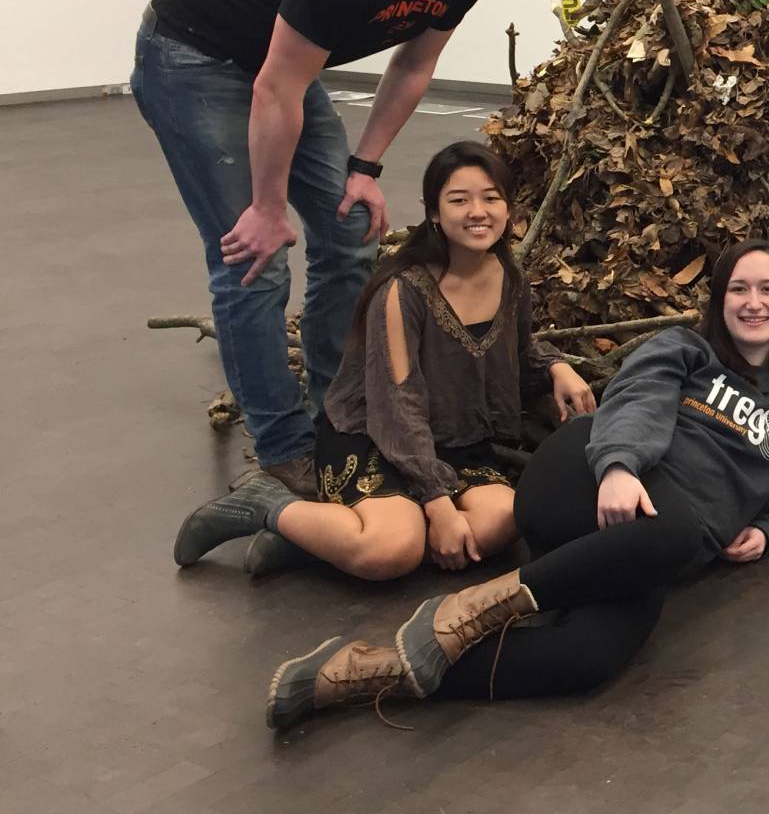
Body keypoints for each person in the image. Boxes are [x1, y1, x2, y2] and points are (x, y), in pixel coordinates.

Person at [263, 239, 769, 728]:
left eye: (768, 289)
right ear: (719, 299)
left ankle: (361, 674)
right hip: (585, 481)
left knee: (586, 659)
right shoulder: (686, 349)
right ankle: (475, 608)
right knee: (677, 529)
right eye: (739, 288)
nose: (754, 302)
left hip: (654, 545)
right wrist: (619, 466)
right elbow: (637, 401)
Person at [132, 0, 500, 497]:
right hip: (193, 53)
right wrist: (267, 208)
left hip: (280, 70)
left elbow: (415, 64)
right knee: (255, 258)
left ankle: (338, 411)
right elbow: (274, 88)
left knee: (349, 233)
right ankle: (283, 444)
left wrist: (366, 168)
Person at [172, 141, 596, 579]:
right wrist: (438, 504)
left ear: (508, 209)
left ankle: (321, 539)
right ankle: (269, 507)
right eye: (459, 200)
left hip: (454, 438)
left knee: (505, 520)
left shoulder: (509, 276)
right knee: (391, 553)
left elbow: (518, 352)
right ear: (434, 212)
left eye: (491, 198)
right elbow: (398, 404)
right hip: (376, 436)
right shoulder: (402, 289)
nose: (478, 211)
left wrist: (556, 367)